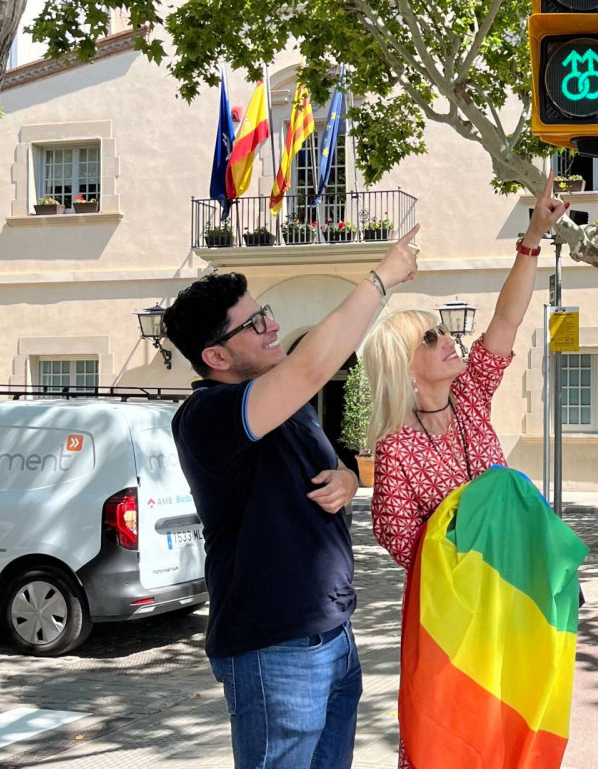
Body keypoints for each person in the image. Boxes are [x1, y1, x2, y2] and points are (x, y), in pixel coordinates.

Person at [162, 227, 419, 769]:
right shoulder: (208, 417)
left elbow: (332, 466)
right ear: (216, 355)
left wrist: (349, 481)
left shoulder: (287, 400)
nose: (271, 324)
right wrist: (382, 278)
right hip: (274, 650)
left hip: (333, 636)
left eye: (266, 311)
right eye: (254, 323)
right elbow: (313, 364)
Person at [361, 174, 567, 769]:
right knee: (450, 741)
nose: (449, 340)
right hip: (451, 623)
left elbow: (505, 321)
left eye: (445, 330)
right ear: (406, 363)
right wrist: (477, 520)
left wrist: (531, 236)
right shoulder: (395, 448)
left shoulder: (472, 396)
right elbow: (404, 546)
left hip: (511, 599)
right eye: (431, 337)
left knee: (511, 729)